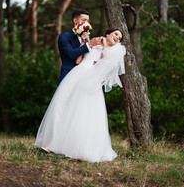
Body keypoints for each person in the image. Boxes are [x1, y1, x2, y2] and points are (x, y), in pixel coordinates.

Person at [34, 28, 126, 163]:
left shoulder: (113, 51)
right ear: (108, 33)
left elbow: (103, 62)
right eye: (116, 34)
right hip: (76, 75)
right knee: (62, 107)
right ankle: (53, 143)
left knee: (82, 113)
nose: (118, 37)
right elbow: (78, 61)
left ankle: (76, 148)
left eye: (120, 37)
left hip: (90, 80)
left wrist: (104, 45)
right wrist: (84, 44)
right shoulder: (93, 41)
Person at [57, 9, 102, 85]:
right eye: (84, 20)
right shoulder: (64, 36)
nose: (87, 23)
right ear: (75, 21)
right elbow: (71, 54)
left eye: (88, 21)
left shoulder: (88, 38)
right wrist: (89, 44)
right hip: (68, 77)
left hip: (84, 78)